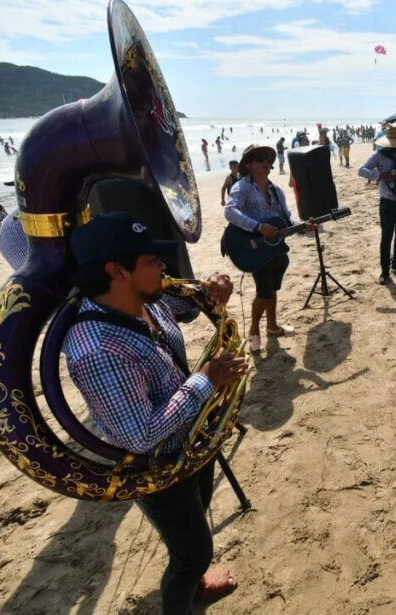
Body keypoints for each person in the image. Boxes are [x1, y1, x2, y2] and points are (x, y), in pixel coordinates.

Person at [64, 211, 245, 614]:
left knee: (198, 517)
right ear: (117, 271)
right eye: (152, 261)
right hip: (157, 465)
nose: (164, 268)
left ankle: (194, 585)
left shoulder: (145, 297)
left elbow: (185, 304)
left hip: (190, 442)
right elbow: (139, 435)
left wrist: (212, 288)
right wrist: (206, 380)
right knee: (192, 554)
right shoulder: (98, 350)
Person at [224, 144, 313, 353]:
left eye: (267, 158)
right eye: (259, 159)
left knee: (271, 289)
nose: (266, 162)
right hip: (252, 247)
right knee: (263, 291)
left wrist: (302, 226)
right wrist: (258, 227)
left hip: (274, 248)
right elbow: (229, 212)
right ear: (248, 165)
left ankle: (272, 326)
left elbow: (286, 217)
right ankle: (254, 331)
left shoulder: (276, 189)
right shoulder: (242, 187)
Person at [358, 122, 396, 285]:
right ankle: (385, 271)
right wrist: (380, 175)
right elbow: (361, 170)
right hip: (387, 203)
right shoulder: (378, 156)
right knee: (386, 237)